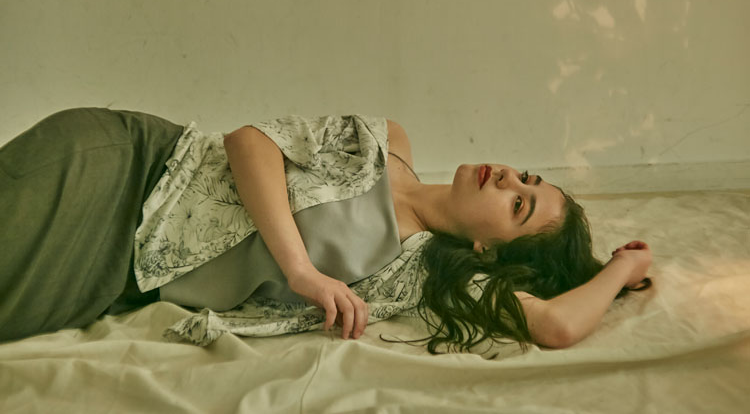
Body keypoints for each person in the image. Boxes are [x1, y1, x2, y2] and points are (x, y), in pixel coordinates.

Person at [0, 107, 652, 352]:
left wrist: (623, 266)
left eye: (518, 206)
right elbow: (251, 141)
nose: (508, 178)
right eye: (525, 178)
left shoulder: (424, 272)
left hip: (118, 278)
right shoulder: (383, 140)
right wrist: (302, 271)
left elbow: (555, 325)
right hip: (132, 169)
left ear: (487, 250)